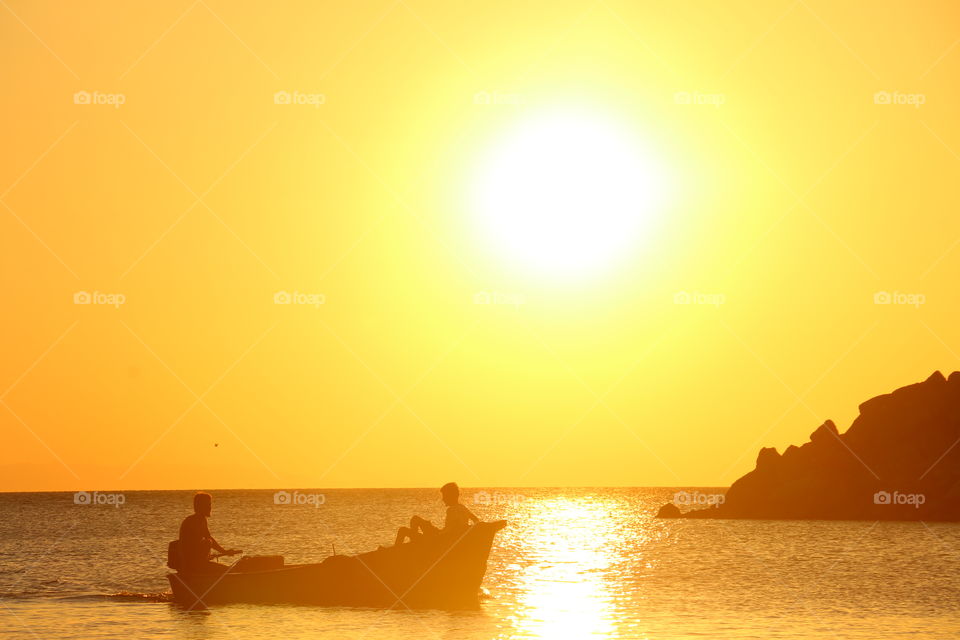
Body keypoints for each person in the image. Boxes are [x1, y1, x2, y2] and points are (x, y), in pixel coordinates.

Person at [394, 482, 481, 545]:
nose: (443, 499)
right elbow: (477, 521)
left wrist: (434, 533)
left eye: (444, 496)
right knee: (416, 519)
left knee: (404, 528)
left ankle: (411, 545)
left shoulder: (451, 510)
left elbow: (447, 533)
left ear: (450, 496)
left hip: (438, 539)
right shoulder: (463, 508)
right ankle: (415, 542)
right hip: (441, 535)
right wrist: (466, 528)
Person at [178, 492, 241, 573]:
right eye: (208, 505)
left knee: (229, 569)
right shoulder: (193, 521)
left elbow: (206, 538)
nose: (210, 508)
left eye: (210, 505)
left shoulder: (201, 520)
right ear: (201, 506)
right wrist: (224, 552)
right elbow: (197, 545)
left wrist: (224, 552)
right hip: (193, 566)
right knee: (229, 571)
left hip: (199, 564)